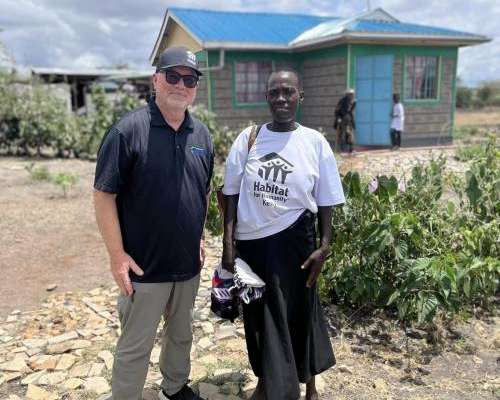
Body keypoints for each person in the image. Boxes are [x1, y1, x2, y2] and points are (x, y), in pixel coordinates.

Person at [93, 46, 213, 400]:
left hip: (187, 265)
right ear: (155, 80)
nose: (181, 84)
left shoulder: (202, 135)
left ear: (195, 86)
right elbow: (103, 195)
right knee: (135, 346)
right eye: (172, 76)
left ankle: (175, 388)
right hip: (144, 268)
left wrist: (200, 237)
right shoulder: (127, 132)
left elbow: (202, 192)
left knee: (181, 336)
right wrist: (117, 256)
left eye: (189, 78)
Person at [221, 70, 345, 400]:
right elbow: (230, 194)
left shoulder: (314, 142)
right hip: (252, 246)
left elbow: (327, 199)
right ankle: (265, 381)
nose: (281, 98)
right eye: (274, 92)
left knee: (302, 310)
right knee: (257, 316)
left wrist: (325, 246)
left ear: (300, 97)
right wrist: (227, 246)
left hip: (297, 243)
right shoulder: (248, 138)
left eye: (288, 92)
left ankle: (311, 386)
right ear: (266, 97)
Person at [333, 88, 356, 154]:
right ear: (347, 94)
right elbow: (336, 111)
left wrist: (352, 121)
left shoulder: (353, 102)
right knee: (341, 135)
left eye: (352, 94)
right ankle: (342, 150)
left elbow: (351, 112)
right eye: (350, 94)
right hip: (341, 120)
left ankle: (351, 150)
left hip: (348, 121)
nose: (351, 96)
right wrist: (338, 118)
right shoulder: (342, 101)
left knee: (350, 135)